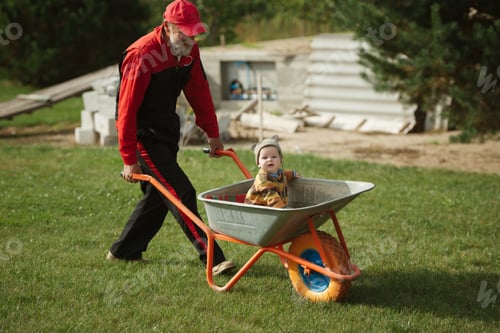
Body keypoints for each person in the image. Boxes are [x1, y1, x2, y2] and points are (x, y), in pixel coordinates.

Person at [107, 0, 234, 275]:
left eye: (194, 33)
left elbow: (199, 91)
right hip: (142, 135)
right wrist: (129, 159)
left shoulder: (188, 51)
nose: (190, 39)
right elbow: (126, 111)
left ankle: (123, 251)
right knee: (180, 192)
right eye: (184, 33)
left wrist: (212, 133)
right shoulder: (142, 54)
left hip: (166, 130)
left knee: (158, 196)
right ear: (167, 27)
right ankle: (213, 258)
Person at [245, 135, 299, 208]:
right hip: (256, 209)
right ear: (258, 163)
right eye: (264, 158)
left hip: (270, 208)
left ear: (280, 160)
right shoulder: (263, 180)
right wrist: (283, 210)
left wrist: (293, 174)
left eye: (274, 157)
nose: (269, 159)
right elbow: (271, 195)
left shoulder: (277, 172)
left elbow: (284, 174)